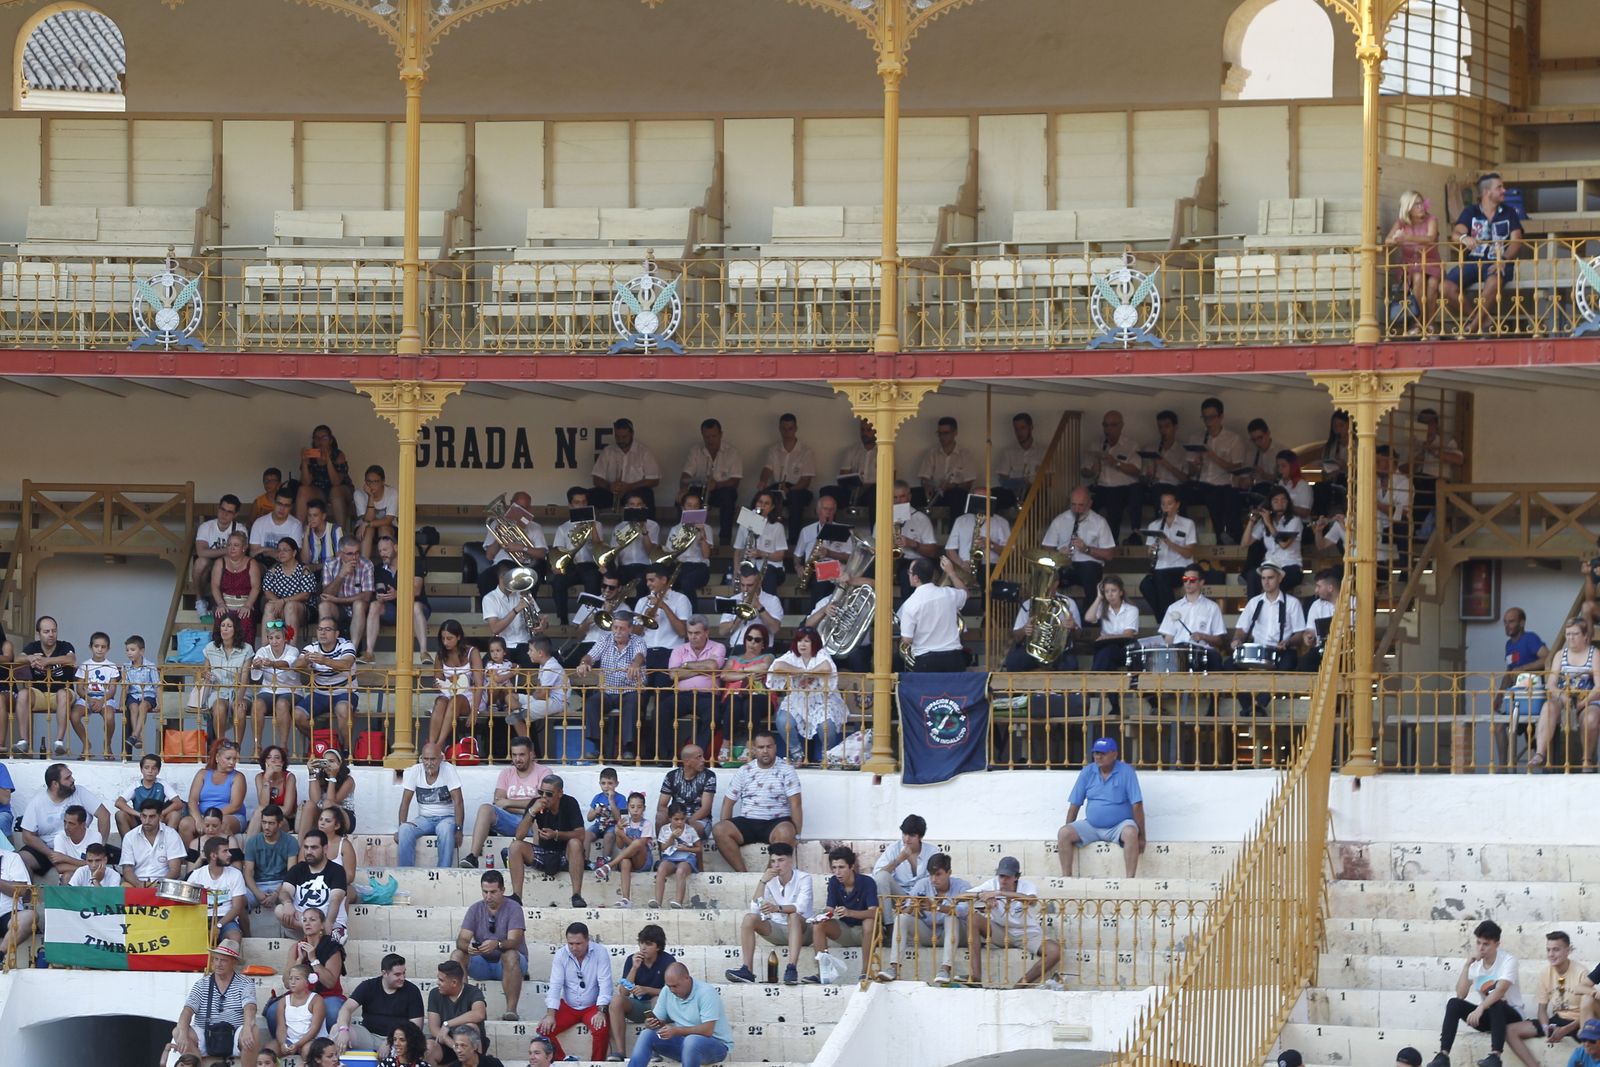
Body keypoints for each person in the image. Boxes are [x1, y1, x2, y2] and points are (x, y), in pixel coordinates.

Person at [1424, 919, 1535, 1067]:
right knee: (1454, 1003)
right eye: (1478, 943)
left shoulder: (1508, 961)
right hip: (1490, 1016)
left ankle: (1495, 1056)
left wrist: (1481, 1007)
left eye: (1486, 944)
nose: (1481, 948)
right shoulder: (1476, 964)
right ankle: (1443, 1055)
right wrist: (1466, 966)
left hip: (1512, 1016)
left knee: (1496, 1002)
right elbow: (1461, 994)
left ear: (1497, 944)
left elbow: (1500, 990)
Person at [1441, 172, 1524, 335]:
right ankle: (1481, 321)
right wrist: (1464, 238)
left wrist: (1504, 259)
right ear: (1487, 192)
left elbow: (1516, 241)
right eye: (1499, 187)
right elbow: (1456, 234)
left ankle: (1472, 328)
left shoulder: (1509, 212)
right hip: (1473, 263)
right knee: (1445, 287)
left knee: (1493, 280)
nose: (1503, 190)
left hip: (1499, 262)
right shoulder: (1470, 212)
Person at [875, 851, 970, 986]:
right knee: (902, 918)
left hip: (956, 934)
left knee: (951, 918)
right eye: (931, 874)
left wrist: (935, 907)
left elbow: (964, 911)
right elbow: (906, 910)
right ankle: (894, 968)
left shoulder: (962, 886)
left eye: (938, 874)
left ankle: (945, 969)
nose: (933, 879)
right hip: (928, 933)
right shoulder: (922, 884)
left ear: (949, 873)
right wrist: (914, 907)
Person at [725, 840, 813, 986]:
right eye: (773, 861)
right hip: (778, 930)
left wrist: (777, 908)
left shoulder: (804, 878)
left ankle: (791, 968)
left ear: (791, 860)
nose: (776, 865)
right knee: (749, 919)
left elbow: (801, 907)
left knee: (794, 916)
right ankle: (747, 969)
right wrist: (763, 881)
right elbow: (755, 908)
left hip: (803, 931)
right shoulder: (770, 879)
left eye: (781, 860)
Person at [712, 730, 802, 872]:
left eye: (769, 746)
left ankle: (768, 877)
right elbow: (728, 802)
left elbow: (796, 804)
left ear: (775, 747)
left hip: (776, 823)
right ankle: (744, 875)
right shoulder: (744, 770)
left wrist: (796, 835)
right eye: (761, 747)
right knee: (719, 829)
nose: (765, 751)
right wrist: (726, 825)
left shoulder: (787, 770)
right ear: (753, 749)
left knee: (786, 831)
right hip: (748, 822)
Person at [1056, 737, 1146, 877]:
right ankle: (1066, 877)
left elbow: (1137, 805)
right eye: (1096, 753)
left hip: (1119, 826)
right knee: (1064, 833)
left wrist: (1142, 836)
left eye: (1102, 753)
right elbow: (1075, 804)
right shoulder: (1087, 771)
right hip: (1091, 826)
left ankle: (1130, 880)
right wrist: (1070, 826)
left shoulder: (1126, 772)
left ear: (1114, 754)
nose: (1098, 756)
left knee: (1130, 833)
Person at [969, 856, 1060, 987]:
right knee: (974, 918)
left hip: (1027, 933)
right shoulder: (991, 884)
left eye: (1007, 876)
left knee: (1055, 951)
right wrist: (981, 896)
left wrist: (999, 893)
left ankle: (1019, 985)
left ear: (1016, 877)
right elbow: (959, 896)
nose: (1003, 880)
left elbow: (1032, 900)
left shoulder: (1027, 886)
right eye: (1001, 876)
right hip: (1001, 932)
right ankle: (976, 977)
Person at [452, 869, 528, 1022]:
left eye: (493, 892)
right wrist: (468, 947)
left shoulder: (514, 908)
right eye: (485, 891)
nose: (488, 896)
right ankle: (465, 1009)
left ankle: (511, 1011)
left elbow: (515, 941)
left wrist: (497, 944)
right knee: (457, 955)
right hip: (483, 963)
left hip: (509, 963)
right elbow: (461, 940)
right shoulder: (475, 909)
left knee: (511, 954)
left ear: (503, 890)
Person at [461, 734, 548, 868]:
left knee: (537, 817)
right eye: (514, 755)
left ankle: (536, 860)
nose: (517, 759)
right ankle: (473, 857)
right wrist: (528, 805)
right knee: (486, 808)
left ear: (531, 754)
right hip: (510, 821)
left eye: (522, 755)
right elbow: (499, 802)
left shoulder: (544, 772)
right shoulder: (506, 773)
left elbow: (543, 803)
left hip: (533, 822)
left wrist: (509, 803)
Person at [628, 962, 733, 1067]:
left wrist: (676, 1030)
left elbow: (707, 1030)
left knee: (692, 1040)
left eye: (675, 986)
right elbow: (659, 1020)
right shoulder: (666, 991)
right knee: (647, 1034)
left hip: (715, 1046)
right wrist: (650, 1023)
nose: (672, 990)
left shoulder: (706, 992)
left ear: (687, 978)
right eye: (669, 986)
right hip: (684, 1044)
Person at [768, 626, 848, 764]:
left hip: (822, 699)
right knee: (783, 721)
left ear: (814, 643)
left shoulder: (821, 653)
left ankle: (828, 756)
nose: (802, 644)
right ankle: (796, 754)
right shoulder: (792, 655)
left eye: (807, 641)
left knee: (826, 726)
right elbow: (778, 666)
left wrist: (807, 673)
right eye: (799, 641)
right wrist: (801, 672)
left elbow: (826, 667)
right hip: (797, 699)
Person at [506, 773, 587, 906]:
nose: (544, 797)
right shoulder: (535, 803)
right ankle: (517, 896)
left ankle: (576, 895)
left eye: (549, 794)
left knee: (575, 843)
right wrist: (532, 811)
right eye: (541, 792)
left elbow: (581, 834)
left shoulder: (570, 803)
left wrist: (556, 834)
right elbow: (519, 836)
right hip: (544, 853)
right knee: (515, 846)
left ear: (560, 793)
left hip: (566, 855)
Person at [17, 762, 110, 876]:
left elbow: (104, 815)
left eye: (71, 776)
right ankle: (26, 893)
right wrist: (51, 854)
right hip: (47, 849)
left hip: (79, 847)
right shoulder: (37, 802)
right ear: (55, 784)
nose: (72, 780)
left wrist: (99, 847)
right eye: (67, 778)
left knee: (69, 875)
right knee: (21, 859)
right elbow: (27, 836)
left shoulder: (80, 792)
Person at [577, 609, 647, 760]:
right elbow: (590, 656)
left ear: (630, 629)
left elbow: (640, 655)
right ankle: (597, 747)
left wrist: (635, 664)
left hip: (630, 690)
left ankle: (628, 748)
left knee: (632, 704)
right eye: (615, 627)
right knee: (591, 704)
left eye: (622, 628)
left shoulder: (638, 640)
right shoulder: (605, 639)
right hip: (607, 691)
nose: (618, 632)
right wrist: (584, 663)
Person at [539, 921, 614, 1062]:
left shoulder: (600, 952)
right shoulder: (561, 955)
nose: (574, 947)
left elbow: (605, 983)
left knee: (601, 1029)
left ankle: (596, 1064)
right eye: (570, 943)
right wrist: (550, 1014)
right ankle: (563, 1061)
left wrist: (601, 1011)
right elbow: (555, 984)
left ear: (587, 940)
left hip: (593, 1006)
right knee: (543, 1030)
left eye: (578, 943)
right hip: (568, 1006)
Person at [173, 939, 260, 1059]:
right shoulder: (201, 984)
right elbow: (187, 1011)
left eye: (224, 960)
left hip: (234, 1036)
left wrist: (247, 1028)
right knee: (178, 1031)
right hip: (205, 1036)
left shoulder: (245, 983)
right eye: (216, 959)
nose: (218, 964)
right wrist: (182, 1034)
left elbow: (250, 1008)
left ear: (234, 962)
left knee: (253, 1031)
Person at [804, 845, 879, 983]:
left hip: (865, 932)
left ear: (851, 866)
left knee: (869, 922)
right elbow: (830, 909)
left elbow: (874, 912)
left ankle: (866, 972)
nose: (837, 872)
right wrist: (821, 917)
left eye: (841, 867)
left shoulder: (867, 882)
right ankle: (823, 973)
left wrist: (850, 912)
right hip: (846, 930)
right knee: (819, 926)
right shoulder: (834, 882)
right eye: (834, 868)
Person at [1509, 930, 1595, 1049]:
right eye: (1548, 950)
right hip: (1557, 1020)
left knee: (1590, 1040)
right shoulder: (1545, 973)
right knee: (1511, 1030)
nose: (1551, 954)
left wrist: (1566, 1030)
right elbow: (1542, 1009)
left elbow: (1590, 1011)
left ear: (1568, 951)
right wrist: (1546, 1029)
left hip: (1578, 1022)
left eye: (1556, 949)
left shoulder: (1581, 973)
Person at [1535, 618, 1600, 770]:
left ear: (1585, 636)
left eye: (1575, 634)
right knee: (1548, 707)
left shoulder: (1595, 654)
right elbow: (1551, 684)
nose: (1570, 638)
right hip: (1563, 698)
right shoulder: (1560, 655)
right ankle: (1539, 754)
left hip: (1588, 699)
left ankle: (1587, 760)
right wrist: (1562, 696)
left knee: (1590, 718)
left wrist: (1582, 703)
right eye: (1568, 634)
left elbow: (1598, 685)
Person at [332, 953, 427, 1053]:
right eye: (397, 974)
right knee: (336, 1030)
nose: (402, 978)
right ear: (384, 973)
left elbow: (415, 1026)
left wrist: (391, 1041)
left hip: (399, 1040)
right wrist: (343, 1030)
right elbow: (346, 1008)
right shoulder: (369, 986)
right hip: (369, 1036)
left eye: (404, 973)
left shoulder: (412, 991)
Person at [608, 924, 676, 1061]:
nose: (643, 947)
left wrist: (647, 990)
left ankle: (654, 1049)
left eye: (648, 944)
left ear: (658, 947)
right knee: (616, 1001)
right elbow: (623, 993)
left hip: (663, 1008)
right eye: (641, 943)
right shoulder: (632, 959)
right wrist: (634, 968)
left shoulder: (668, 961)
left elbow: (673, 990)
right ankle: (620, 1052)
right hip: (639, 1007)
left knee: (656, 1000)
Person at [1230, 562, 1309, 675]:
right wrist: (1236, 639)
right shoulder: (1254, 602)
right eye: (1263, 578)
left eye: (1270, 578)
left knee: (1287, 666)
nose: (1266, 582)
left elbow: (1300, 634)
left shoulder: (1292, 603)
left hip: (1283, 651)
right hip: (1257, 650)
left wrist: (1288, 642)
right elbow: (1241, 629)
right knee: (1229, 665)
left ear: (1280, 578)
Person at [1041, 487, 1115, 605]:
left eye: (1081, 505)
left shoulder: (1099, 522)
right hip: (1064, 567)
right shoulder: (1060, 520)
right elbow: (1046, 548)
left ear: (1090, 504)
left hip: (1089, 570)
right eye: (1073, 505)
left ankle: (1089, 619)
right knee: (1044, 572)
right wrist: (1058, 554)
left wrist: (1087, 549)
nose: (1076, 509)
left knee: (1089, 570)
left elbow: (1110, 555)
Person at [1495, 607, 1550, 763]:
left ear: (1522, 622)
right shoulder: (1508, 645)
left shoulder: (1530, 639)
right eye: (1505, 622)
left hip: (1533, 699)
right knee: (1499, 726)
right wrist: (1499, 695)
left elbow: (1547, 658)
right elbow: (1510, 671)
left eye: (1511, 621)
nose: (1507, 625)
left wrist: (1524, 668)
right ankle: (1503, 767)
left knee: (1534, 741)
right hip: (1516, 698)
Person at [17, 615, 77, 758]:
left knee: (63, 694)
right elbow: (18, 658)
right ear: (39, 633)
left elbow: (71, 659)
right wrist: (30, 658)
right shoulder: (33, 647)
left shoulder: (65, 646)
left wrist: (46, 661)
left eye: (54, 631)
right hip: (39, 694)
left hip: (63, 694)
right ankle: (23, 741)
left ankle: (59, 741)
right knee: (23, 694)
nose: (51, 634)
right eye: (46, 631)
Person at [1003, 564, 1082, 672]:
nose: (1044, 586)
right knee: (1013, 662)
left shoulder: (1069, 603)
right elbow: (1016, 636)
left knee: (1070, 665)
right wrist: (1024, 630)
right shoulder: (1028, 604)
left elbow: (1078, 636)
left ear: (1056, 584)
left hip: (1059, 652)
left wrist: (1073, 627)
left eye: (1047, 582)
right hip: (1033, 650)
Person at [398, 743, 465, 868]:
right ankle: (405, 873)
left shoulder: (448, 769)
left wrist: (459, 830)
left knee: (444, 829)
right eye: (426, 759)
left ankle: (443, 872)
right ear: (421, 759)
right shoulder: (415, 771)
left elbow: (459, 801)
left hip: (447, 818)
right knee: (405, 830)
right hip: (424, 819)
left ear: (441, 759)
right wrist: (400, 826)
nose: (429, 763)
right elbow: (405, 802)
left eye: (433, 759)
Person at [665, 617, 725, 757]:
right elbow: (673, 674)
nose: (693, 637)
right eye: (690, 633)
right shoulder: (679, 650)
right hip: (682, 695)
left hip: (707, 696)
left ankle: (698, 756)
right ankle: (666, 756)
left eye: (697, 633)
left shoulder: (718, 647)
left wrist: (686, 665)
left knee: (713, 715)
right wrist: (703, 669)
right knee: (660, 711)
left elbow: (713, 666)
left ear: (706, 632)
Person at [299, 617, 359, 755]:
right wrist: (305, 661)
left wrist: (325, 661)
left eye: (327, 629)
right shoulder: (311, 647)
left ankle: (346, 751)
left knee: (344, 710)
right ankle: (323, 742)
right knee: (297, 715)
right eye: (320, 629)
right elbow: (296, 665)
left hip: (344, 692)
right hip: (320, 693)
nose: (322, 633)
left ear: (337, 634)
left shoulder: (346, 645)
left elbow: (346, 665)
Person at [897, 556, 968, 673]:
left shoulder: (910, 604)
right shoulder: (949, 594)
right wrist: (951, 573)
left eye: (909, 572)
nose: (908, 575)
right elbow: (965, 593)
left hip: (926, 661)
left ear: (915, 578)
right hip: (954, 659)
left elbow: (907, 639)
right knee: (954, 692)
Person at [275, 828, 349, 939]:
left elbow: (336, 900)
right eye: (306, 847)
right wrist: (287, 903)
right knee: (279, 910)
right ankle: (317, 931)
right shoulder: (297, 869)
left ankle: (320, 932)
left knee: (331, 927)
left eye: (314, 847)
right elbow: (285, 891)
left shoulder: (337, 870)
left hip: (328, 922)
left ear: (325, 849)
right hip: (302, 921)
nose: (309, 851)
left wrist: (328, 922)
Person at [1387, 190, 1443, 335]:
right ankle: (1417, 323)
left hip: (1431, 263)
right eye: (1416, 204)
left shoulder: (1432, 219)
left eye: (1421, 202)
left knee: (1432, 284)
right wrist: (1396, 239)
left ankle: (1429, 323)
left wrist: (1406, 237)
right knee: (1417, 277)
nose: (1421, 206)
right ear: (1408, 208)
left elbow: (1430, 238)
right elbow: (1387, 240)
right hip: (1411, 265)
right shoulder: (1401, 222)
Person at [679, 417, 743, 542]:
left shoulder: (732, 452)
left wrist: (716, 485)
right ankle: (685, 539)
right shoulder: (696, 451)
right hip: (700, 489)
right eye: (706, 437)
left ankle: (724, 540)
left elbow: (735, 481)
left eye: (713, 436)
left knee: (728, 497)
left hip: (721, 491)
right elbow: (685, 476)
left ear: (721, 434)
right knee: (683, 499)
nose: (710, 440)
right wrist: (683, 489)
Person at [371, 532, 432, 662]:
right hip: (393, 612)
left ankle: (424, 652)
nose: (382, 553)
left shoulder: (413, 563)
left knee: (415, 606)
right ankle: (369, 653)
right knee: (374, 605)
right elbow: (380, 587)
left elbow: (416, 590)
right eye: (380, 550)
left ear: (396, 548)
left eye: (385, 549)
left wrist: (397, 594)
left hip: (416, 610)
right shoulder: (379, 568)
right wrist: (381, 596)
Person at [1138, 490, 1198, 623]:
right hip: (1160, 568)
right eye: (1163, 504)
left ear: (1177, 505)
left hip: (1182, 568)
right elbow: (1149, 554)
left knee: (1160, 577)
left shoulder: (1188, 524)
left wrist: (1169, 543)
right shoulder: (1154, 525)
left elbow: (1189, 553)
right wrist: (1151, 551)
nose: (1166, 507)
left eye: (1169, 504)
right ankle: (1165, 618)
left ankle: (1168, 620)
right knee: (1145, 585)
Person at [1193, 397, 1245, 545]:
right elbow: (1190, 471)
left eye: (1212, 417)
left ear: (1221, 417)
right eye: (1205, 417)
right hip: (1200, 484)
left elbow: (1236, 468)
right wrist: (1196, 464)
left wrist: (1212, 456)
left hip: (1221, 485)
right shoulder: (1197, 437)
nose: (1208, 421)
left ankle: (1223, 536)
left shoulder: (1233, 439)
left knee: (1218, 495)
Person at [549, 487, 605, 625]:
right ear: (570, 505)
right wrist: (556, 567)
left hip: (590, 565)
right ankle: (563, 620)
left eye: (584, 502)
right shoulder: (563, 528)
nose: (581, 505)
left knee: (593, 579)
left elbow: (599, 548)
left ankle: (589, 620)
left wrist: (591, 525)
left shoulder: (597, 524)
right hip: (571, 566)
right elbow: (558, 552)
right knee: (558, 582)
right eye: (577, 502)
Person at [428, 620, 485, 754]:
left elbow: (479, 685)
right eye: (443, 638)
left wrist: (474, 712)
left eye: (449, 638)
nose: (445, 642)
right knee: (440, 702)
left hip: (471, 697)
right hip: (448, 694)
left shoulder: (472, 652)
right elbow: (438, 679)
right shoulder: (440, 655)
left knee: (455, 700)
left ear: (458, 637)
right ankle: (430, 745)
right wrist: (438, 684)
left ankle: (438, 747)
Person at [1083, 410, 1143, 537]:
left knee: (1114, 503)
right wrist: (1091, 471)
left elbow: (1137, 470)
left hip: (1122, 488)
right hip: (1101, 487)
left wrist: (1116, 463)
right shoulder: (1096, 444)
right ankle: (1081, 540)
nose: (1108, 429)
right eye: (1105, 425)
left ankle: (1111, 544)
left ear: (1122, 426)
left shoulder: (1131, 445)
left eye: (1113, 425)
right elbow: (1084, 472)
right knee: (1081, 503)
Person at [1157, 566, 1229, 671]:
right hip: (1178, 653)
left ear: (1201, 582)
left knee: (1214, 657)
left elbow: (1219, 640)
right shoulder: (1173, 607)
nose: (1188, 583)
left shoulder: (1212, 607)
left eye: (1192, 580)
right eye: (1185, 580)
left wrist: (1203, 636)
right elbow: (1169, 638)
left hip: (1203, 652)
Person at [196, 612, 254, 742]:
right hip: (218, 690)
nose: (225, 629)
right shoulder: (210, 647)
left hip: (240, 690)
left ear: (236, 629)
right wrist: (206, 674)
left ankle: (237, 748)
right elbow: (204, 670)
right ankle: (221, 746)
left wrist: (238, 698)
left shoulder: (246, 649)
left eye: (229, 626)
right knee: (219, 708)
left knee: (239, 709)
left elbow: (245, 677)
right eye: (223, 625)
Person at [759, 412, 817, 539]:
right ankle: (756, 537)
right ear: (780, 429)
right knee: (759, 499)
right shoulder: (773, 450)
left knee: (795, 500)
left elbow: (806, 480)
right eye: (784, 429)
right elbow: (767, 469)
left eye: (790, 429)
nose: (787, 432)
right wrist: (762, 481)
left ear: (795, 429)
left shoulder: (806, 451)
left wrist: (790, 489)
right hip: (778, 487)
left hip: (798, 489)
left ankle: (793, 540)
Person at [251, 625, 305, 759]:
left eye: (278, 638)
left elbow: (288, 663)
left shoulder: (293, 650)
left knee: (282, 704)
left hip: (291, 690)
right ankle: (257, 746)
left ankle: (283, 746)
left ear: (285, 638)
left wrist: (272, 664)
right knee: (257, 704)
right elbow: (254, 668)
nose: (274, 641)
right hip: (268, 690)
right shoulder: (263, 650)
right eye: (271, 638)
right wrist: (256, 664)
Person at [720, 622, 777, 743]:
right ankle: (726, 744)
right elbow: (725, 675)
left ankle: (750, 744)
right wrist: (747, 676)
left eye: (757, 640)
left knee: (749, 704)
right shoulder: (733, 659)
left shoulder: (768, 656)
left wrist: (740, 670)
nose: (752, 642)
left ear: (763, 644)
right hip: (734, 696)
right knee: (734, 702)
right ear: (745, 640)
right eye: (749, 638)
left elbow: (764, 667)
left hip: (761, 697)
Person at [1243, 487, 1305, 598]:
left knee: (1275, 580)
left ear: (1288, 502)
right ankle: (1253, 612)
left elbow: (1283, 544)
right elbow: (1245, 543)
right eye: (1275, 501)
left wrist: (1268, 523)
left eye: (1283, 500)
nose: (1280, 503)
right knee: (1252, 576)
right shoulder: (1265, 522)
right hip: (1269, 566)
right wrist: (1252, 520)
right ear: (1270, 504)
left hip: (1291, 566)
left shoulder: (1295, 520)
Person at [592, 417, 662, 511]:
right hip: (611, 491)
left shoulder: (643, 452)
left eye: (624, 437)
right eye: (617, 437)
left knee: (647, 493)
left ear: (632, 434)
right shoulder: (608, 451)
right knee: (592, 494)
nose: (620, 440)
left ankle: (647, 525)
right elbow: (596, 478)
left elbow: (654, 480)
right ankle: (587, 525)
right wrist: (609, 486)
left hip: (634, 492)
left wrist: (629, 487)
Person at [115, 752, 190, 838]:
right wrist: (139, 814)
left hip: (158, 819)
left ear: (158, 771)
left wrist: (161, 814)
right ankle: (128, 845)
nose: (150, 771)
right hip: (140, 820)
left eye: (153, 768)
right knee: (120, 815)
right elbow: (119, 803)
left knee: (175, 814)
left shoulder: (162, 784)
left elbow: (178, 803)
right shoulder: (136, 785)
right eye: (146, 768)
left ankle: (166, 842)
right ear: (141, 769)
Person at [793, 489, 852, 599]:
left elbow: (849, 556)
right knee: (820, 584)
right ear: (818, 510)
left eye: (831, 509)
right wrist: (798, 567)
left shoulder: (843, 530)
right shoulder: (807, 531)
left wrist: (829, 553)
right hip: (814, 570)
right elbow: (797, 555)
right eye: (825, 509)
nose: (828, 512)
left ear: (835, 511)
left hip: (837, 569)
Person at [321, 541, 376, 656]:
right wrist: (341, 575)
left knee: (359, 604)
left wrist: (338, 600)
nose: (354, 557)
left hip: (358, 609)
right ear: (340, 554)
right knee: (324, 606)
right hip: (337, 609)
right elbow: (326, 594)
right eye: (350, 554)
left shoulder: (366, 564)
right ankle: (326, 651)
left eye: (357, 553)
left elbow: (367, 596)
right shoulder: (330, 563)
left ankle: (351, 653)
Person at [944, 491, 1011, 587]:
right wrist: (961, 564)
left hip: (991, 568)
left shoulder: (1001, 522)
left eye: (984, 499)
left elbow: (1009, 553)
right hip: (965, 566)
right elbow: (950, 549)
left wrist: (990, 545)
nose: (981, 503)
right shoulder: (961, 520)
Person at [194, 496, 246, 617]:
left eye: (229, 512)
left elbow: (239, 553)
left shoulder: (240, 529)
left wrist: (218, 553)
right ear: (218, 508)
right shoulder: (206, 527)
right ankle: (200, 601)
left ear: (236, 514)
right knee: (200, 563)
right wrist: (226, 550)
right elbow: (201, 552)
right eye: (222, 509)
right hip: (209, 565)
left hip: (229, 565)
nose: (224, 514)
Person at [188, 834, 249, 940]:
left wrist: (218, 926)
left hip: (226, 919)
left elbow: (237, 907)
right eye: (225, 851)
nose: (230, 854)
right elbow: (189, 905)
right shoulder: (196, 875)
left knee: (235, 937)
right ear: (213, 855)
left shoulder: (235, 874)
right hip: (202, 919)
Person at [72, 630, 120, 758]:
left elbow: (112, 689)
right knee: (74, 716)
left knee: (109, 718)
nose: (100, 649)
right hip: (87, 698)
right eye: (96, 646)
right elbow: (79, 688)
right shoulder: (85, 665)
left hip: (105, 699)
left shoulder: (112, 666)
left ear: (108, 648)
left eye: (103, 647)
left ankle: (107, 745)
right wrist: (89, 699)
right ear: (91, 647)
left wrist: (101, 701)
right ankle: (86, 744)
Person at [120, 795, 187, 887]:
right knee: (124, 886)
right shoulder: (130, 837)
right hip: (138, 883)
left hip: (163, 884)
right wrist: (140, 885)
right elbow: (127, 870)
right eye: (144, 816)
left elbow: (175, 870)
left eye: (151, 817)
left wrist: (157, 885)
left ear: (160, 817)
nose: (147, 821)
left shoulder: (171, 834)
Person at [714, 562, 784, 649]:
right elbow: (722, 632)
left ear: (759, 582)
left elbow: (775, 629)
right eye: (742, 585)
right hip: (737, 647)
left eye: (750, 585)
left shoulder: (773, 600)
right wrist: (740, 615)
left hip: (762, 649)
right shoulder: (733, 599)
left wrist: (759, 607)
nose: (745, 589)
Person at [244, 803, 299, 910]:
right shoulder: (252, 842)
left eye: (271, 823)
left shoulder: (290, 841)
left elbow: (291, 873)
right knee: (238, 899)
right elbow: (248, 873)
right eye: (264, 822)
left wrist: (276, 893)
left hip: (282, 884)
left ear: (280, 824)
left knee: (297, 896)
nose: (266, 827)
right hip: (258, 884)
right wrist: (258, 893)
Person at [915, 416, 976, 513]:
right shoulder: (931, 453)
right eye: (939, 433)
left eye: (946, 433)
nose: (942, 437)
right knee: (912, 494)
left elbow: (968, 484)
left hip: (955, 493)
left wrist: (952, 486)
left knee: (957, 496)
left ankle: (955, 528)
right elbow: (924, 478)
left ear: (955, 433)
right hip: (934, 492)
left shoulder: (965, 454)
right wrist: (927, 486)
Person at [732, 489, 788, 595]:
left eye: (766, 504)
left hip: (772, 567)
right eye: (760, 502)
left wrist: (761, 553)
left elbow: (780, 555)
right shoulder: (745, 523)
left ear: (772, 508)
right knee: (744, 578)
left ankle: (767, 608)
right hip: (751, 565)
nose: (762, 506)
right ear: (755, 503)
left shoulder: (777, 527)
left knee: (767, 574)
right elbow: (738, 550)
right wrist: (736, 570)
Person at [266, 962, 326, 1058]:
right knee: (268, 1052)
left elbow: (315, 1028)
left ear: (307, 982)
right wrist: (283, 1043)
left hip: (311, 1040)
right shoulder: (283, 1001)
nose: (292, 982)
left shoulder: (316, 1000)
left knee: (308, 1051)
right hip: (290, 1040)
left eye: (297, 979)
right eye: (290, 978)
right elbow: (281, 1027)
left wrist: (298, 1044)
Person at [189, 738, 248, 835]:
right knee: (185, 824)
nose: (232, 762)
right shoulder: (202, 774)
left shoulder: (238, 777)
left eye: (234, 759)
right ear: (217, 758)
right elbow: (192, 800)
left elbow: (235, 805)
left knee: (221, 825)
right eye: (228, 758)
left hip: (230, 816)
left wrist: (211, 818)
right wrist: (198, 819)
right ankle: (193, 850)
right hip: (203, 815)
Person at [658, 743, 717, 840]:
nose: (703, 760)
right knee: (660, 817)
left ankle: (694, 854)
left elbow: (705, 809)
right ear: (687, 762)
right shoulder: (671, 776)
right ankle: (663, 853)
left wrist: (684, 823)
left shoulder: (709, 776)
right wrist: (676, 820)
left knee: (694, 827)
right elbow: (661, 806)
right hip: (677, 817)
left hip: (698, 819)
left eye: (703, 756)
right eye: (699, 757)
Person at [651, 801, 704, 909]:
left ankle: (678, 902)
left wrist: (687, 849)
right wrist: (671, 837)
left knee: (680, 871)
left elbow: (699, 848)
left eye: (682, 819)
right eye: (676, 819)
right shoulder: (665, 829)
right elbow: (662, 848)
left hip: (687, 858)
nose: (679, 822)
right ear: (670, 818)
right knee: (661, 869)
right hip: (670, 857)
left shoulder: (690, 830)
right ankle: (658, 902)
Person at [667, 491, 716, 605]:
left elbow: (706, 555)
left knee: (686, 582)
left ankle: (693, 614)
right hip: (679, 565)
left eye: (696, 506)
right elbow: (671, 555)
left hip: (699, 567)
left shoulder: (706, 528)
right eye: (689, 505)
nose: (693, 508)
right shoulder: (675, 529)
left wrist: (702, 533)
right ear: (683, 508)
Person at [428, 958, 488, 1050]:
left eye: (441, 980)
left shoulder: (474, 992)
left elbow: (479, 1014)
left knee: (471, 1027)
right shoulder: (434, 994)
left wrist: (447, 1024)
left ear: (454, 983)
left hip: (470, 1045)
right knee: (429, 1047)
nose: (437, 983)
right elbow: (433, 1028)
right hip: (446, 1043)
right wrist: (453, 1045)